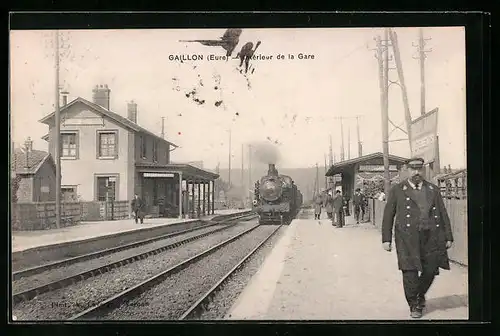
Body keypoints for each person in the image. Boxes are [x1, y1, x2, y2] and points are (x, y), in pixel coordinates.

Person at [381, 157, 454, 319]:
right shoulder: (397, 190)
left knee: (430, 269)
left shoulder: (433, 189)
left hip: (431, 236)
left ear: (423, 170)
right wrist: (386, 238)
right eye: (413, 169)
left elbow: (443, 214)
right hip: (407, 238)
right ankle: (414, 303)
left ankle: (419, 294)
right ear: (407, 170)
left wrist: (448, 236)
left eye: (419, 169)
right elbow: (388, 215)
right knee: (410, 271)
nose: (416, 172)